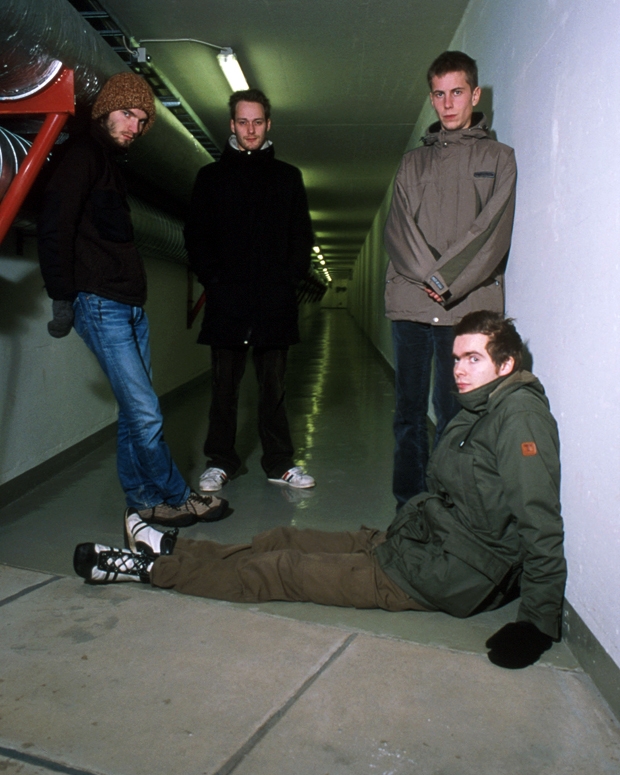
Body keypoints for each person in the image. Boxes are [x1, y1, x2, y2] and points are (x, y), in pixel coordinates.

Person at [74, 311, 567, 670]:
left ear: (505, 365)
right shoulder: (479, 410)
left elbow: (539, 521)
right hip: (417, 544)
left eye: (473, 358)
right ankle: (174, 545)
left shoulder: (520, 417)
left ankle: (151, 569)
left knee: (282, 572)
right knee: (280, 539)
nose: (458, 368)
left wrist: (537, 624)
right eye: (456, 356)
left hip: (441, 575)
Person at [37, 72, 228, 528]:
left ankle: (145, 499)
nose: (134, 127)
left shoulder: (110, 165)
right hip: (100, 304)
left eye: (142, 120)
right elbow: (54, 225)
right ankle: (177, 497)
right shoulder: (81, 156)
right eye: (127, 115)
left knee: (132, 411)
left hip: (127, 305)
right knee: (145, 410)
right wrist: (62, 297)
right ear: (105, 111)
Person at [384, 51, 517, 508]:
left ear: (474, 95)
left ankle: (450, 509)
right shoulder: (412, 163)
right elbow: (398, 229)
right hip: (411, 306)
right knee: (407, 415)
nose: (448, 103)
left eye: (457, 92)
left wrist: (446, 280)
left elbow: (492, 233)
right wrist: (430, 277)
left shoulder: (499, 158)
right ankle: (410, 507)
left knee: (456, 414)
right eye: (439, 94)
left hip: (467, 310)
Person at [184, 88, 315, 493]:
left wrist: (287, 281)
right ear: (232, 125)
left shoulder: (288, 177)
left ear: (269, 124)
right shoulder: (211, 177)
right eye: (243, 122)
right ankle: (220, 461)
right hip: (228, 302)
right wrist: (215, 282)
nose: (250, 129)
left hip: (273, 302)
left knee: (274, 387)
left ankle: (280, 463)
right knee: (224, 386)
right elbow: (197, 236)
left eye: (258, 122)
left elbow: (301, 236)